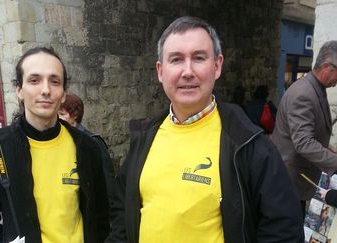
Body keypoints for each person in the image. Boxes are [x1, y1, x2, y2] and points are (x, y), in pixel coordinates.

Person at [109, 16, 303, 243]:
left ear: (217, 66)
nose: (187, 71)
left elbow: (283, 232)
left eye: (199, 58)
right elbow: (121, 214)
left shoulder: (249, 145)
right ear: (161, 71)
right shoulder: (144, 139)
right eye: (176, 59)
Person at [0, 47, 110, 243]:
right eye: (34, 80)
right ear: (19, 90)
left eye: (55, 81)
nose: (46, 90)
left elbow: (102, 215)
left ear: (63, 93)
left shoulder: (87, 148)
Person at [271, 40, 337, 215]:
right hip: (290, 182)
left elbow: (308, 133)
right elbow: (303, 143)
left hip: (296, 181)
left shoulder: (314, 87)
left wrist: (329, 150)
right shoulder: (304, 93)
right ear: (326, 67)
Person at [58, 92, 117, 221]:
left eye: (62, 114)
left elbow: (108, 185)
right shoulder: (59, 142)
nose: (58, 119)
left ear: (74, 115)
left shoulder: (92, 142)